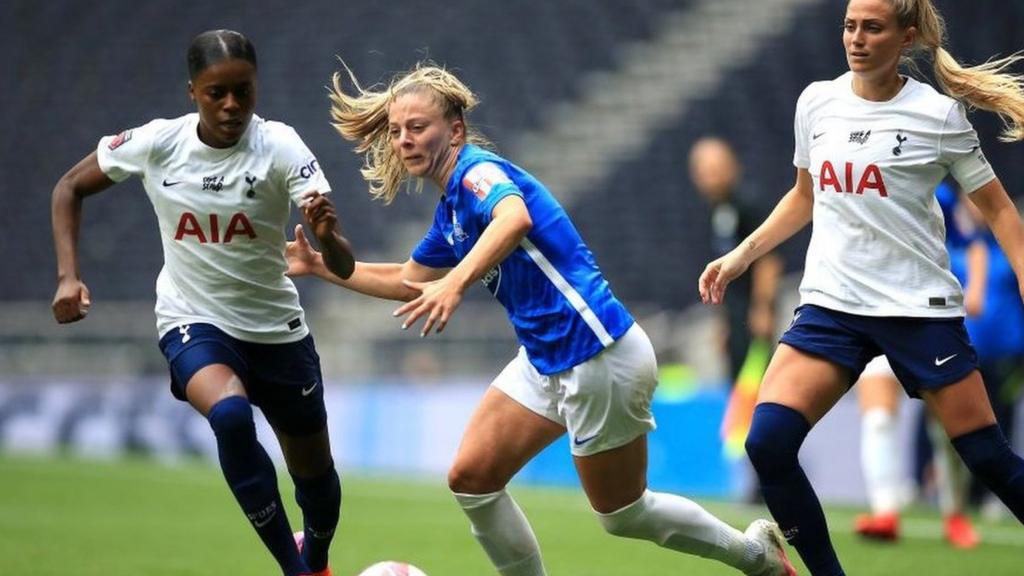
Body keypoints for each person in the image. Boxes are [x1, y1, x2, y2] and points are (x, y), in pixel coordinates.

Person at [288, 62, 795, 576]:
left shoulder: (478, 172)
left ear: (456, 130)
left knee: (623, 514)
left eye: (417, 127)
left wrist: (456, 281)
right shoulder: (452, 212)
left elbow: (514, 218)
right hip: (547, 358)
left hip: (596, 352)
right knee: (472, 478)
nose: (403, 140)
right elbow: (407, 277)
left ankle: (757, 557)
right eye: (397, 131)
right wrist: (319, 268)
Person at [698, 0, 1024, 574]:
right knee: (767, 443)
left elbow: (999, 213)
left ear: (905, 37)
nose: (856, 38)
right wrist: (742, 255)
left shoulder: (939, 117)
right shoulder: (817, 102)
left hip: (917, 310)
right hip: (833, 305)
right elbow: (804, 196)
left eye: (872, 27)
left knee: (988, 458)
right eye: (849, 25)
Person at [50, 30, 354, 576]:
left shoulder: (282, 146)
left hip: (277, 330)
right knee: (232, 416)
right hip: (194, 319)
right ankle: (296, 570)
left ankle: (319, 557)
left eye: (243, 90)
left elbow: (344, 266)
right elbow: (68, 187)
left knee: (318, 483)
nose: (232, 104)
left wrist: (329, 238)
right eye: (218, 93)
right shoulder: (157, 142)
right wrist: (68, 277)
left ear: (257, 87)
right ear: (193, 92)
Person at [853, 355, 979, 548]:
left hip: (931, 333)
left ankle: (955, 515)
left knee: (947, 430)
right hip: (877, 330)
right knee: (878, 421)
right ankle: (885, 513)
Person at [689, 137, 783, 383]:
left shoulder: (749, 205)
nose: (712, 177)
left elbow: (768, 261)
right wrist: (724, 323)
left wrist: (763, 308)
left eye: (717, 169)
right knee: (737, 381)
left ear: (732, 167)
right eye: (705, 171)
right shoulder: (716, 211)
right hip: (734, 312)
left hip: (754, 310)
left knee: (760, 380)